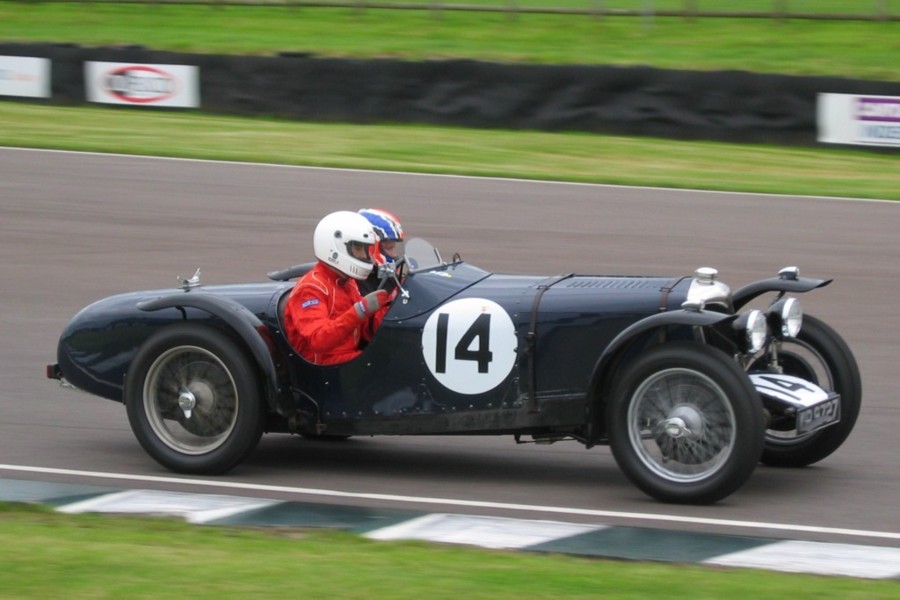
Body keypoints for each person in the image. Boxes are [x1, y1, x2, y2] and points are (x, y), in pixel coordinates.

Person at [283, 211, 390, 365]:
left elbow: (364, 331)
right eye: (359, 249)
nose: (365, 255)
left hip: (348, 356)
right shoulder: (311, 288)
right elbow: (319, 341)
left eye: (366, 250)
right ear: (336, 248)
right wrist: (360, 310)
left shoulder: (347, 281)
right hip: (323, 364)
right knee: (387, 365)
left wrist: (388, 309)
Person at [357, 208, 405, 295]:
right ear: (370, 247)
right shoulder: (353, 284)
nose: (394, 254)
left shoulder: (386, 276)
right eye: (389, 247)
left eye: (393, 247)